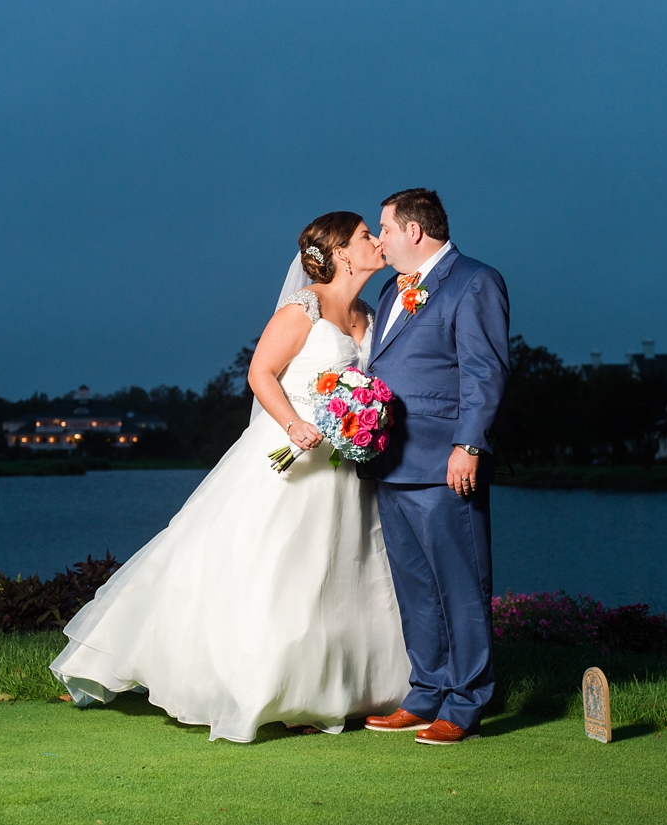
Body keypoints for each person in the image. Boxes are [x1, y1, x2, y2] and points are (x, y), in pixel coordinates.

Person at [50, 211, 410, 743]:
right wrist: (294, 424)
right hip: (294, 454)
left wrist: (363, 421)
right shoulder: (302, 308)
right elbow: (260, 373)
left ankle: (345, 688)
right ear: (338, 252)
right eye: (365, 236)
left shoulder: (370, 311)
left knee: (343, 569)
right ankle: (275, 689)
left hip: (347, 462)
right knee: (284, 570)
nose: (377, 241)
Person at [362, 188, 510, 745]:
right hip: (391, 460)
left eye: (385, 228)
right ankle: (425, 693)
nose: (379, 238)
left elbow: (485, 372)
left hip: (445, 463)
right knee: (416, 588)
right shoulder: (390, 288)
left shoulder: (475, 281)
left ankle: (467, 702)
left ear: (415, 231)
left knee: (462, 586)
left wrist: (468, 446)